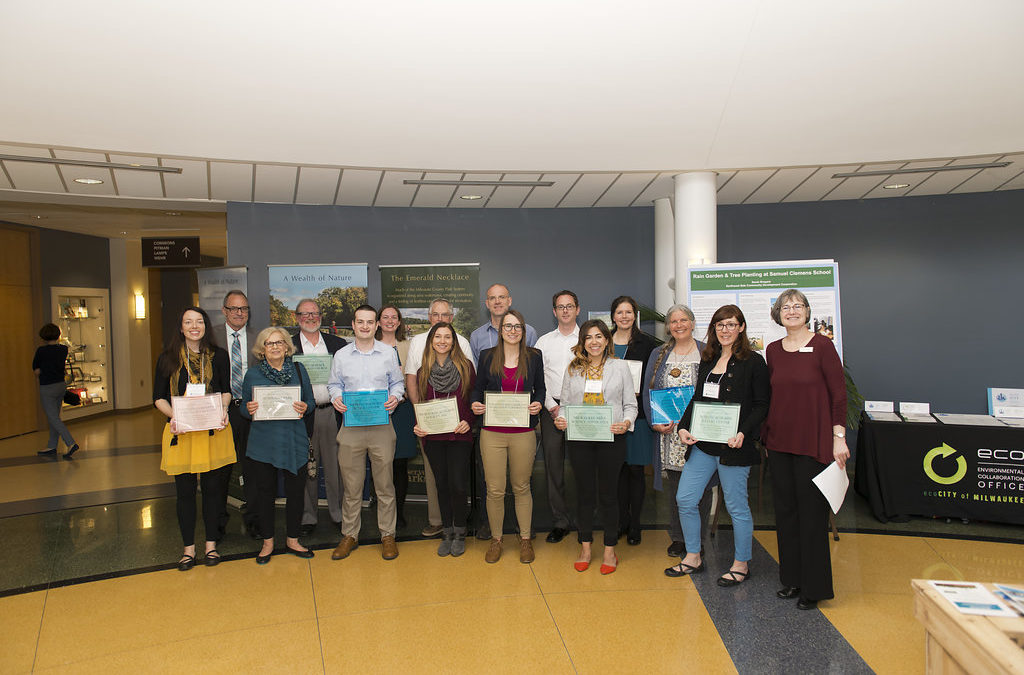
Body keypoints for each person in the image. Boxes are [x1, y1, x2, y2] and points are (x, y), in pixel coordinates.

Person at [666, 305, 769, 587]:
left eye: (731, 324)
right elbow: (697, 399)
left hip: (734, 447)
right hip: (704, 445)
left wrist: (744, 433)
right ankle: (693, 556)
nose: (725, 330)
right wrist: (684, 426)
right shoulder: (708, 359)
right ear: (713, 329)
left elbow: (761, 405)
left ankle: (741, 563)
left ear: (742, 327)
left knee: (736, 507)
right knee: (686, 499)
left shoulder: (754, 362)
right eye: (720, 325)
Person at [762, 289, 848, 610]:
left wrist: (838, 437)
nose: (792, 311)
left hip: (813, 443)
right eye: (786, 307)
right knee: (786, 514)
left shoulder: (823, 346)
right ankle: (793, 580)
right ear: (778, 315)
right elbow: (773, 397)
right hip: (780, 443)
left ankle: (814, 588)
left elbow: (839, 396)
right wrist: (767, 438)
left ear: (808, 311)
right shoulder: (772, 350)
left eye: (798, 306)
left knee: (812, 516)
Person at [152, 307, 235, 571]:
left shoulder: (219, 356)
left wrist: (224, 410)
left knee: (213, 492)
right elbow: (158, 397)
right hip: (182, 433)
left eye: (199, 321)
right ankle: (188, 549)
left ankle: (211, 546)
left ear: (206, 326)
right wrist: (174, 416)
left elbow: (225, 390)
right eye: (188, 322)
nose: (194, 326)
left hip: (213, 432)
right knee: (185, 494)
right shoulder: (167, 358)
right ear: (181, 327)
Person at [554, 319, 636, 575]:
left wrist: (626, 422)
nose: (594, 342)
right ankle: (586, 547)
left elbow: (631, 405)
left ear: (607, 340)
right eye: (588, 337)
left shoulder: (621, 368)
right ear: (583, 342)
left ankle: (610, 549)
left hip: (612, 438)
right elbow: (566, 404)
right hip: (580, 439)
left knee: (609, 495)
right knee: (585, 495)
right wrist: (561, 419)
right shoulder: (573, 369)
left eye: (599, 336)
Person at [327, 305, 406, 561]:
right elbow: (334, 384)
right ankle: (350, 534)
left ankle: (388, 535)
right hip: (350, 427)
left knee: (384, 485)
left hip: (382, 426)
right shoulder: (341, 355)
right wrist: (336, 398)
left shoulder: (387, 353)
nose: (364, 326)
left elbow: (397, 383)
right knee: (352, 486)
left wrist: (395, 398)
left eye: (370, 322)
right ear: (353, 324)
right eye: (360, 321)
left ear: (377, 325)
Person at [471, 309, 545, 564]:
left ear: (523, 331)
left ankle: (525, 540)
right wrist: (475, 405)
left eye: (517, 327)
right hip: (492, 432)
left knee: (522, 486)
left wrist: (537, 403)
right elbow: (477, 389)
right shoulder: (486, 356)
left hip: (523, 432)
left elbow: (541, 389)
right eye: (508, 326)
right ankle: (496, 540)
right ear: (500, 330)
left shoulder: (534, 356)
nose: (512, 331)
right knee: (494, 489)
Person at [641, 304, 713, 557]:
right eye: (673, 321)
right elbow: (648, 392)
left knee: (701, 489)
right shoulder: (658, 354)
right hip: (669, 434)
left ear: (692, 323)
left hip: (700, 433)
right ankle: (679, 537)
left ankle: (699, 539)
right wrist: (654, 422)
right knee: (676, 489)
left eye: (683, 320)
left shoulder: (707, 352)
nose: (678, 325)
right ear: (668, 326)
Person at [241, 327, 316, 564]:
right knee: (264, 494)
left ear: (286, 346)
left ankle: (293, 539)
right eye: (269, 343)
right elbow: (243, 407)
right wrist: (249, 409)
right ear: (262, 349)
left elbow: (310, 402)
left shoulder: (298, 369)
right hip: (264, 442)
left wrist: (305, 407)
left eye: (279, 342)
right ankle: (268, 542)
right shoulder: (252, 375)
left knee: (296, 493)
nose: (274, 347)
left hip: (293, 439)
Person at [404, 298, 476, 538]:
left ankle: (460, 530)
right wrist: (420, 421)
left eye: (447, 336)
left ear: (454, 340)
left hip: (459, 434)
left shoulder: (465, 365)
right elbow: (415, 390)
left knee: (457, 484)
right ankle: (447, 530)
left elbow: (470, 396)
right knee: (441, 485)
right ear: (431, 340)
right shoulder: (424, 368)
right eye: (438, 337)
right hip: (433, 435)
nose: (442, 341)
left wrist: (469, 422)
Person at [291, 299, 348, 536]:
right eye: (305, 314)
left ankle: (338, 514)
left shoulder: (338, 344)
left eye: (315, 313)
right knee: (308, 467)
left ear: (321, 316)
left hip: (332, 413)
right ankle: (308, 517)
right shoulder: (289, 346)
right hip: (302, 416)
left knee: (336, 466)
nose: (310, 318)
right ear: (296, 318)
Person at [609, 295, 657, 545]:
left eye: (629, 312)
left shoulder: (647, 344)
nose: (624, 316)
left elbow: (652, 377)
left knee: (636, 471)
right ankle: (621, 522)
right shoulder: (603, 342)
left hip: (636, 415)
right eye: (620, 312)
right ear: (613, 316)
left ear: (635, 315)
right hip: (610, 417)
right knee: (617, 472)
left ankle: (636, 524)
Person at [534, 290, 580, 544]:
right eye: (560, 307)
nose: (565, 310)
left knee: (584, 467)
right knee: (553, 469)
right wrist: (552, 406)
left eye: (569, 306)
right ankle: (560, 521)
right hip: (551, 410)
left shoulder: (588, 338)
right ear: (554, 311)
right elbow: (537, 380)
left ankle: (585, 519)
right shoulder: (543, 342)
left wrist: (575, 409)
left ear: (577, 309)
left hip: (583, 411)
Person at [220, 289, 260, 539]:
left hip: (252, 410)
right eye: (234, 308)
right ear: (224, 311)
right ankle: (218, 523)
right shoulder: (210, 335)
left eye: (243, 308)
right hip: (221, 411)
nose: (239, 313)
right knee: (221, 468)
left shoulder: (259, 337)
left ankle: (255, 520)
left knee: (253, 468)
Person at [376, 304, 417, 529]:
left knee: (399, 464)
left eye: (394, 317)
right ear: (378, 321)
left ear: (399, 322)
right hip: (377, 411)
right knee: (381, 463)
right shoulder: (369, 345)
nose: (390, 321)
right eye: (385, 317)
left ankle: (399, 513)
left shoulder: (408, 346)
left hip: (402, 411)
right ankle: (383, 512)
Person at [33, 323, 79, 458]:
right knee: (55, 417)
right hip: (61, 385)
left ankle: (70, 442)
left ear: (43, 336)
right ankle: (52, 445)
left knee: (53, 417)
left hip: (47, 386)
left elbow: (36, 370)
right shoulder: (63, 349)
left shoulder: (41, 351)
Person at [469, 283, 539, 362]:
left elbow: (535, 365)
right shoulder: (476, 337)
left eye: (502, 297)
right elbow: (476, 371)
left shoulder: (529, 332)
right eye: (492, 298)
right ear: (487, 304)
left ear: (509, 301)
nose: (497, 301)